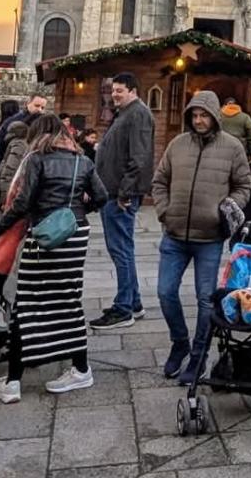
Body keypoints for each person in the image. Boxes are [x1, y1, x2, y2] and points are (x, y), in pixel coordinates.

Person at [0, 113, 108, 403]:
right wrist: (79, 208)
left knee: (28, 303)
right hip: (75, 233)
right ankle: (80, 368)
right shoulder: (82, 161)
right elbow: (101, 196)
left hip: (44, 235)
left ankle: (12, 381)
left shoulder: (37, 159)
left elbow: (22, 204)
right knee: (68, 299)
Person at [151, 90, 251, 384]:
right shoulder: (177, 144)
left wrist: (226, 210)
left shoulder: (232, 147)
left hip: (209, 238)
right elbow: (159, 181)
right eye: (194, 115)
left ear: (214, 117)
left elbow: (244, 186)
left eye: (203, 115)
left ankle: (198, 356)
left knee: (206, 301)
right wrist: (164, 212)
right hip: (174, 235)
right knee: (164, 292)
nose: (198, 120)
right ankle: (180, 342)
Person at [90, 72, 155, 331]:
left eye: (119, 90)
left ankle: (124, 308)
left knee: (121, 251)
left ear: (133, 90)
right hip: (114, 192)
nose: (114, 94)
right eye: (113, 90)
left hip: (120, 196)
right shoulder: (126, 113)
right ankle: (134, 302)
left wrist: (125, 193)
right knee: (122, 250)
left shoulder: (137, 114)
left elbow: (138, 158)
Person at [0, 93, 48, 171]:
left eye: (42, 107)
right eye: (37, 105)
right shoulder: (12, 121)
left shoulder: (46, 124)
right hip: (9, 164)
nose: (39, 109)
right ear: (28, 103)